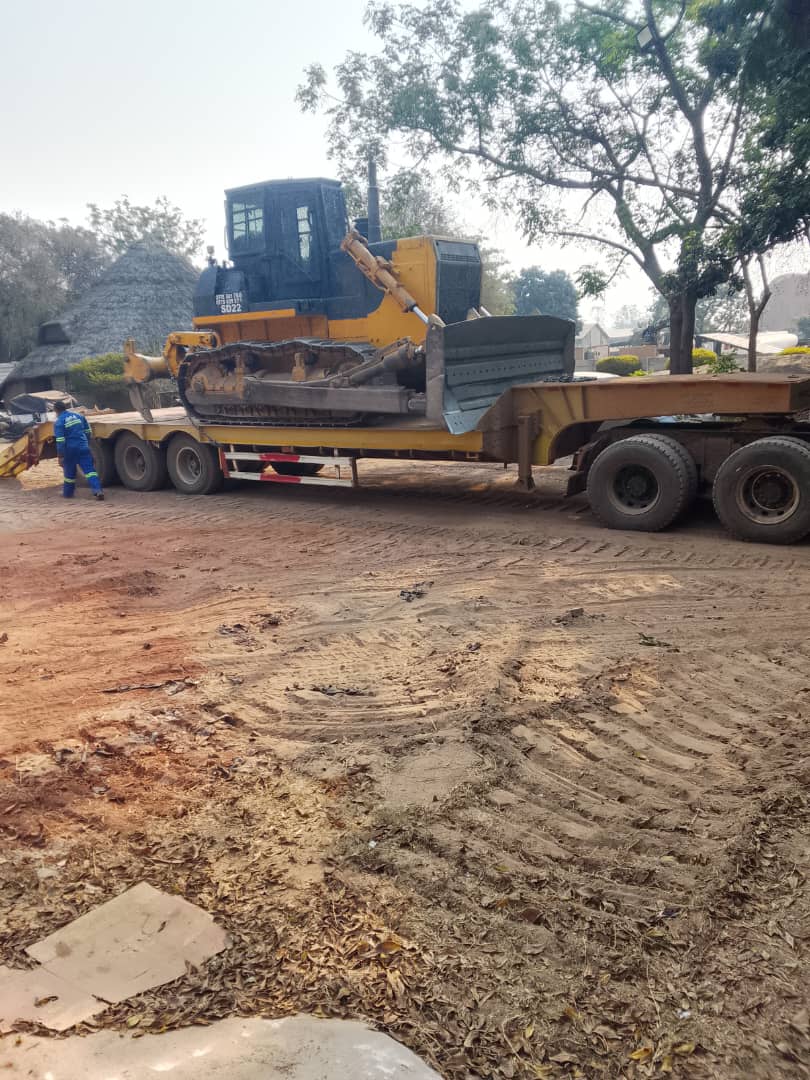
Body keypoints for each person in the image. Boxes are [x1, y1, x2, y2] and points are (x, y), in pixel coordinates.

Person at [52, 400, 104, 501]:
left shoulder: (59, 422)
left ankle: (68, 493)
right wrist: (85, 442)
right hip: (83, 447)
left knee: (69, 473)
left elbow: (60, 441)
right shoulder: (79, 416)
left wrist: (60, 456)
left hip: (69, 451)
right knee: (90, 471)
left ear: (56, 411)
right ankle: (98, 490)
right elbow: (88, 431)